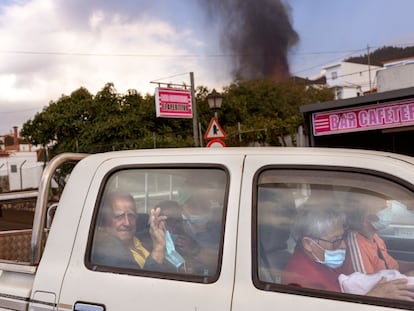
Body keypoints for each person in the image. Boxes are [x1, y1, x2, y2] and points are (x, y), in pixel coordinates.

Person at [282, 204, 414, 300]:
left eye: (342, 238)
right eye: (335, 240)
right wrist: (375, 296)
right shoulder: (301, 281)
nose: (344, 245)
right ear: (308, 244)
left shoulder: (322, 262)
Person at [341, 190, 414, 275]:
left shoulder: (375, 237)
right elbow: (366, 285)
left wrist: (411, 266)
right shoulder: (355, 247)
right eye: (383, 208)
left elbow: (391, 266)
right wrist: (409, 276)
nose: (388, 211)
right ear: (367, 218)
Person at [91, 191, 167, 270]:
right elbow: (140, 281)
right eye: (119, 216)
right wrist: (158, 249)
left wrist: (156, 231)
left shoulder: (141, 239)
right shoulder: (107, 252)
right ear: (104, 220)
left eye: (131, 215)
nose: (127, 223)